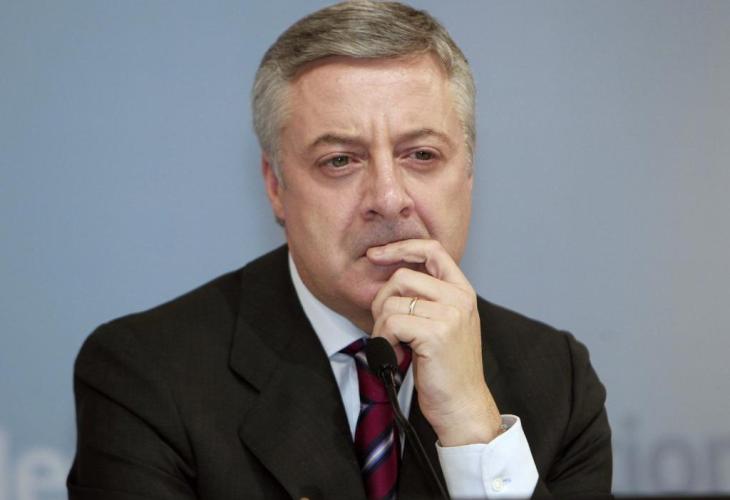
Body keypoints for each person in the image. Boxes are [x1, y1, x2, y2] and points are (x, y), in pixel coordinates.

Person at [68, 1, 612, 499]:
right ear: (275, 186)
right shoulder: (147, 375)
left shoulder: (557, 381)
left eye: (421, 155)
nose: (389, 198)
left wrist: (474, 430)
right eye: (340, 161)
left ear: (468, 174)